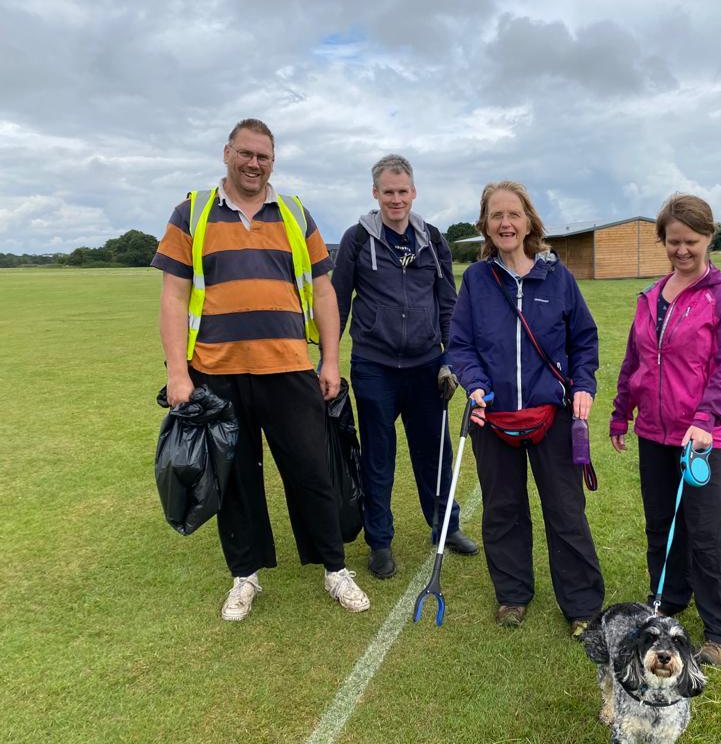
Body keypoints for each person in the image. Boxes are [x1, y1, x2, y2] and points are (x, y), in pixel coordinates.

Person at [152, 118, 370, 621]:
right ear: (227, 153)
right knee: (235, 481)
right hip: (216, 373)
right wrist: (178, 373)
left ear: (273, 160)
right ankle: (245, 576)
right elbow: (173, 296)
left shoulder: (295, 212)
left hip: (289, 368)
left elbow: (323, 290)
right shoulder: (192, 212)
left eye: (263, 156)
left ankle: (335, 570)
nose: (254, 164)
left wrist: (331, 358)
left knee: (312, 472)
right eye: (245, 154)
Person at [448, 180, 605, 639]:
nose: (505, 223)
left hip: (551, 416)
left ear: (529, 221)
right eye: (496, 215)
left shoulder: (557, 279)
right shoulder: (476, 281)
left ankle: (581, 605)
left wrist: (584, 385)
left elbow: (584, 340)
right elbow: (461, 345)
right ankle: (512, 595)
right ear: (486, 225)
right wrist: (474, 385)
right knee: (503, 510)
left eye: (513, 214)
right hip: (493, 418)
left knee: (565, 511)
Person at [609, 193, 721, 666]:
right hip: (654, 431)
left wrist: (705, 420)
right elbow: (636, 359)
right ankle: (669, 597)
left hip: (705, 438)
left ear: (709, 238)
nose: (682, 250)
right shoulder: (650, 297)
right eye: (673, 242)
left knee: (706, 530)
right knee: (660, 523)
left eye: (691, 241)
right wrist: (620, 410)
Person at [331, 154, 478, 580]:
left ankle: (446, 527)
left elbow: (449, 305)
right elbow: (338, 302)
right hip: (374, 367)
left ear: (413, 192)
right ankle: (380, 542)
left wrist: (450, 359)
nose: (396, 199)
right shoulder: (357, 239)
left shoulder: (433, 239)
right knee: (378, 457)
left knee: (435, 455)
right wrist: (327, 361)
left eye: (403, 191)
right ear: (375, 193)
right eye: (388, 192)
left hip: (426, 367)